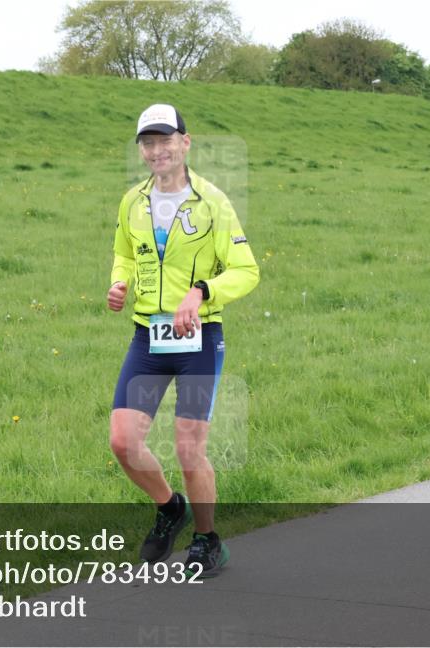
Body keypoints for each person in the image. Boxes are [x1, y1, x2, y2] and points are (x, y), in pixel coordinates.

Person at [107, 103, 260, 578]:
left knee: (189, 448)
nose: (157, 151)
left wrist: (203, 291)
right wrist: (119, 283)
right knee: (123, 442)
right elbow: (124, 253)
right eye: (148, 143)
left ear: (185, 143)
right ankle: (170, 507)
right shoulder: (133, 201)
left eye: (165, 141)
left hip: (198, 341)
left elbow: (246, 270)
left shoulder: (213, 202)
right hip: (148, 340)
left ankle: (207, 539)